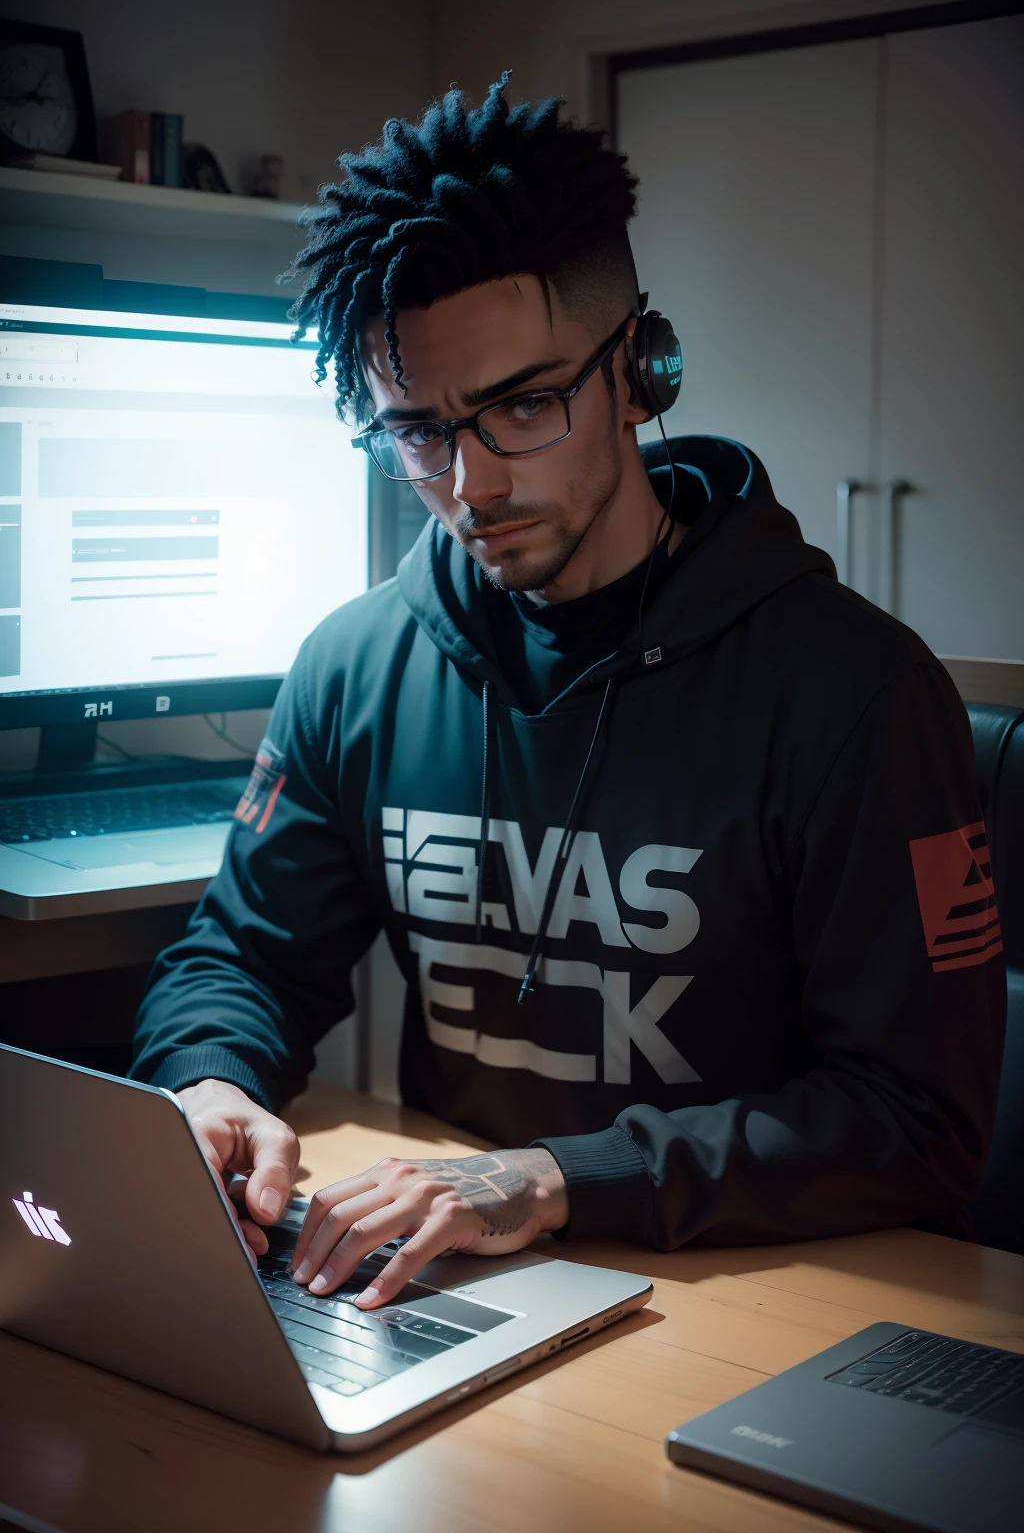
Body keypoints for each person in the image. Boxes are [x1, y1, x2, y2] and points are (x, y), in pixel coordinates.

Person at [130, 74, 1005, 1311]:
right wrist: (213, 1080)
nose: (468, 484)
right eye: (418, 432)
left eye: (522, 406)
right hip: (448, 1289)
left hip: (772, 1296)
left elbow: (918, 1121)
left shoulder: (855, 693)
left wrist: (548, 1181)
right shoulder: (357, 663)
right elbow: (243, 956)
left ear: (642, 369)